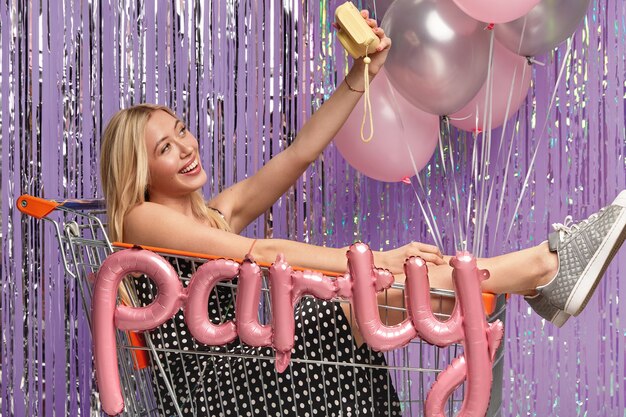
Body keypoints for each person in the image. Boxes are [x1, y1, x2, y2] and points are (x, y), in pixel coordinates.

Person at [100, 10, 626, 417]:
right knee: (349, 304)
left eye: (182, 130)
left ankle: (538, 274)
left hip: (255, 362)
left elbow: (299, 154)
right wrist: (376, 262)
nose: (186, 148)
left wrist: (362, 73)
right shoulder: (144, 224)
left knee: (358, 300)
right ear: (140, 173)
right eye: (165, 148)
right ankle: (539, 271)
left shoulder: (213, 216)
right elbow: (264, 252)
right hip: (220, 390)